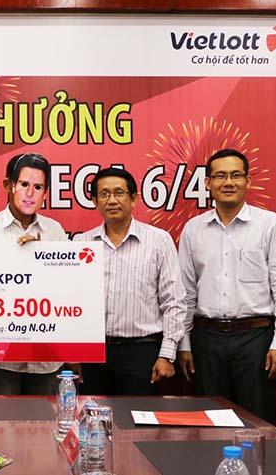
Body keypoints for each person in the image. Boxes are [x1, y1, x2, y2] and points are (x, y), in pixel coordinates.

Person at [177, 149, 276, 424]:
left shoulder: (270, 225)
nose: (228, 182)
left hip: (256, 340)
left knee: (258, 422)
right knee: (210, 422)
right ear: (208, 183)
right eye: (220, 176)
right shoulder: (193, 230)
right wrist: (183, 343)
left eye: (235, 175)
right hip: (206, 340)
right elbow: (185, 293)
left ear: (248, 181)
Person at [74, 167, 186, 395]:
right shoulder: (82, 242)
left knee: (138, 415)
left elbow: (174, 301)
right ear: (95, 201)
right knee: (93, 415)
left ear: (133, 199)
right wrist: (74, 355)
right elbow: (73, 301)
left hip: (142, 351)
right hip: (94, 354)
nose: (112, 200)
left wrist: (167, 354)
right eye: (104, 194)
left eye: (119, 193)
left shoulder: (158, 241)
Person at [0, 153, 68, 395]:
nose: (30, 193)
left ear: (46, 192)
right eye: (24, 184)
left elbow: (66, 287)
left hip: (45, 357)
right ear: (9, 185)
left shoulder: (54, 231)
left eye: (38, 187)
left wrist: (43, 256)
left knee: (43, 419)